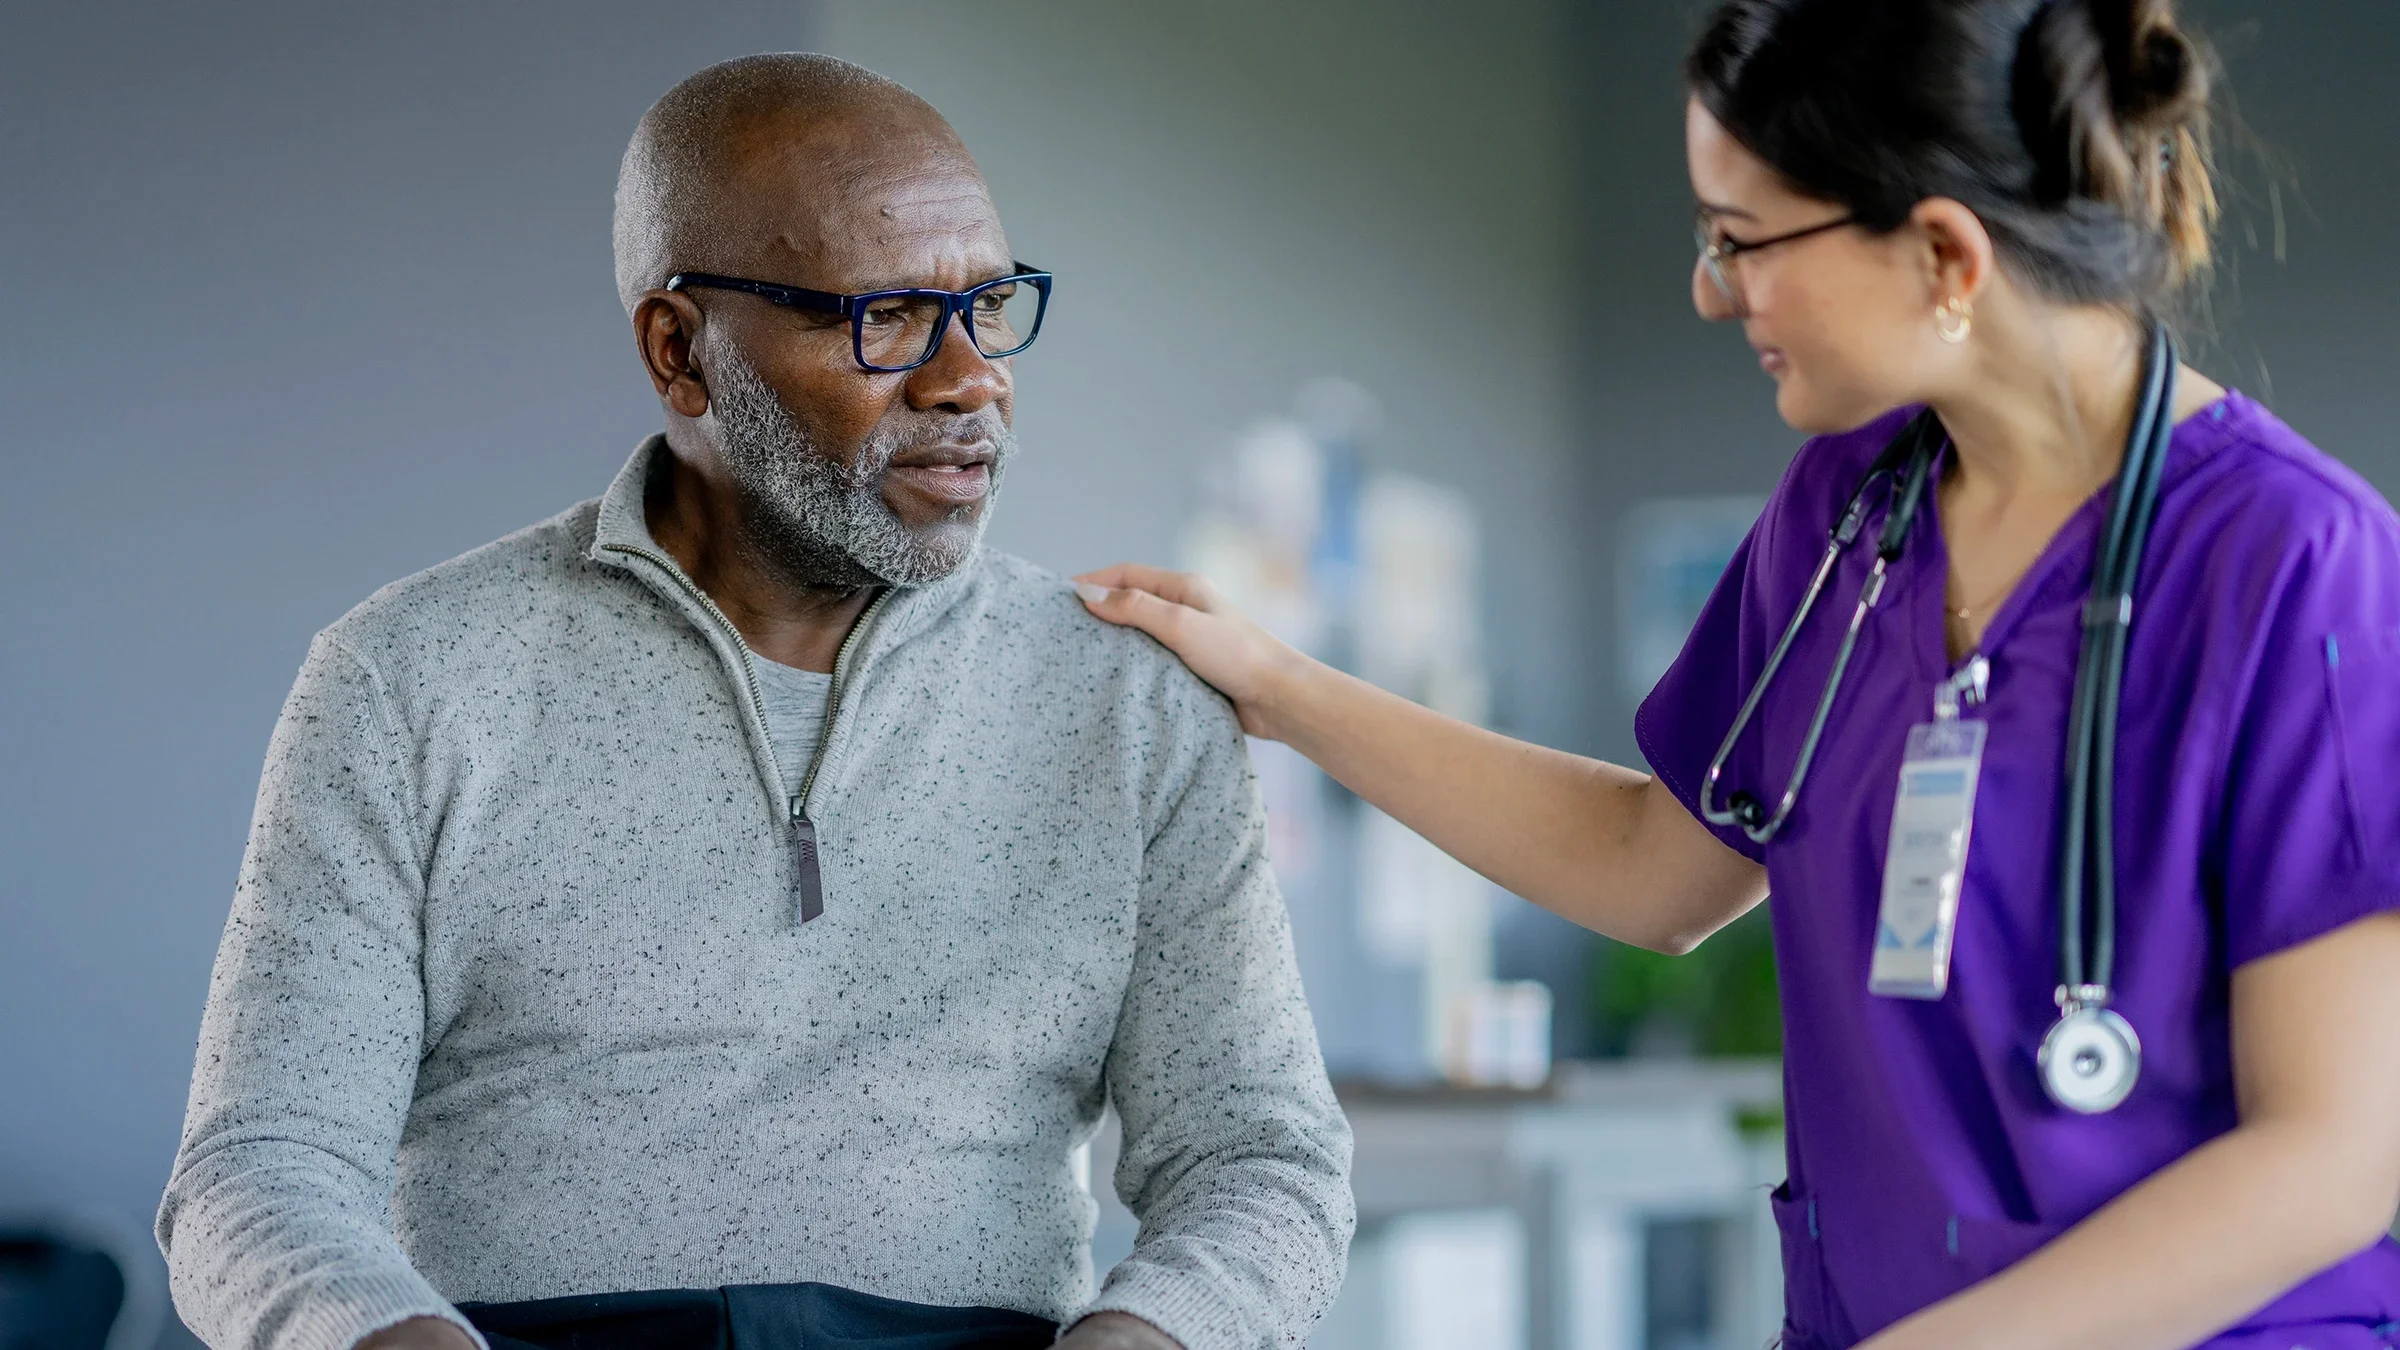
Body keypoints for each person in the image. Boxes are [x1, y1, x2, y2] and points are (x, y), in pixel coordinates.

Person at [1078, 2, 2400, 1346]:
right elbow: (1652, 861)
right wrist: (1282, 687)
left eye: (1744, 240)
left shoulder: (2298, 565)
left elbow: (2331, 1159)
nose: (1713, 290)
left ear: (1944, 251)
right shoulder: (1847, 511)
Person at [157, 54, 1352, 1350]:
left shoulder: (1133, 704)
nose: (969, 380)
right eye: (886, 316)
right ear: (682, 352)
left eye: (990, 304)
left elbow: (1262, 1162)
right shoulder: (405, 678)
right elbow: (258, 1169)